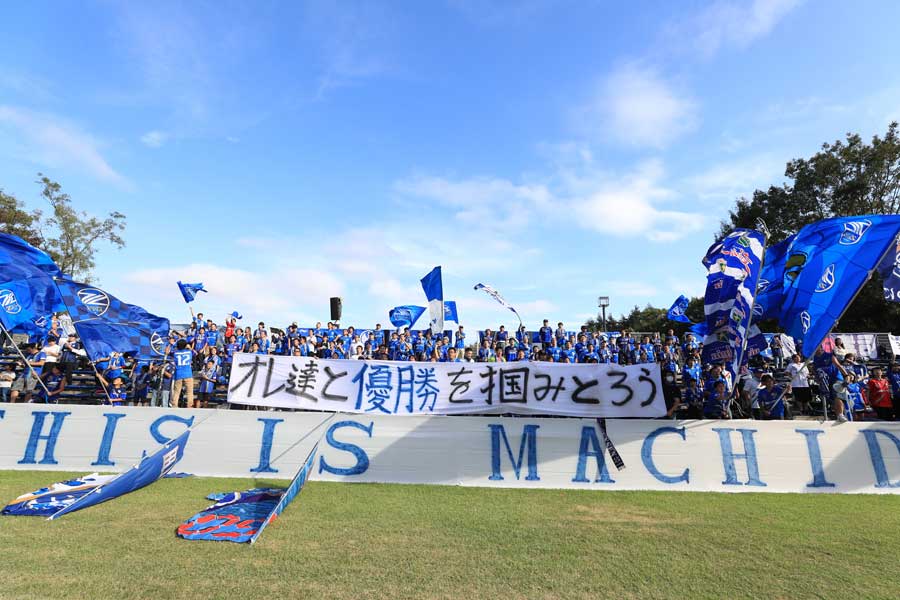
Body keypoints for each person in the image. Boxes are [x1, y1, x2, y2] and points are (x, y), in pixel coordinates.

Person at [171, 340, 194, 409]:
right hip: (188, 373)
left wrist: (173, 345)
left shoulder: (175, 353)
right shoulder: (189, 352)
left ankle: (174, 405)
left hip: (179, 374)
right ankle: (189, 405)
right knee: (189, 391)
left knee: (176, 391)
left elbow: (169, 351)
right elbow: (194, 352)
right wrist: (189, 347)